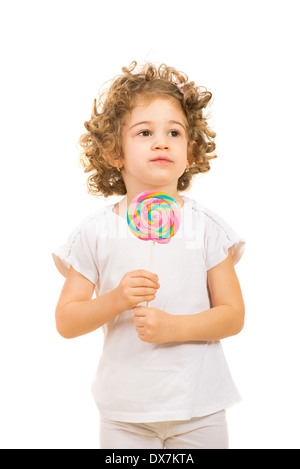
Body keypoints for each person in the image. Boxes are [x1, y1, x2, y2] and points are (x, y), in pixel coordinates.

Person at [52, 61, 245, 449]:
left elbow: (233, 315)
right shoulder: (95, 232)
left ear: (190, 152)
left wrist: (174, 328)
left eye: (174, 132)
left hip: (199, 408)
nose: (161, 142)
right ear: (114, 151)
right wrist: (116, 299)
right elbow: (67, 321)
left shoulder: (207, 227)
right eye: (145, 132)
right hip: (125, 415)